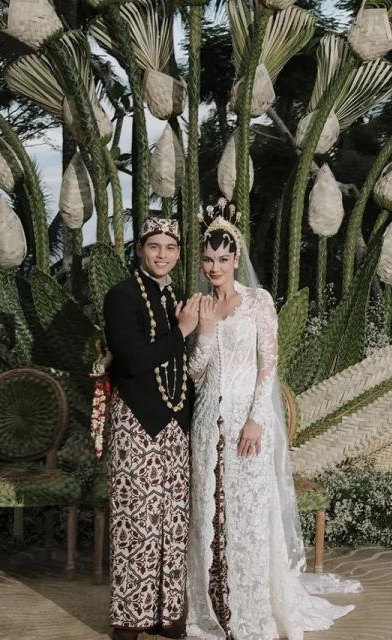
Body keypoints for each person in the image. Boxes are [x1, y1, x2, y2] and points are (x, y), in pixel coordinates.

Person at [186, 199, 359, 640]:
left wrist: (256, 420)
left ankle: (250, 611)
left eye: (223, 259)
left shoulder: (257, 301)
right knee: (209, 513)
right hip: (206, 423)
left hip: (246, 422)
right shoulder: (200, 306)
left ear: (236, 258)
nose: (214, 267)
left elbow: (269, 366)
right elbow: (195, 372)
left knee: (247, 515)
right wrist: (204, 333)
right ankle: (212, 607)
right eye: (207, 259)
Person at [103, 217, 201, 640]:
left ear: (178, 253)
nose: (162, 255)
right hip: (136, 421)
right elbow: (132, 361)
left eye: (170, 247)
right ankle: (129, 619)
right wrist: (182, 330)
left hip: (176, 421)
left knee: (173, 520)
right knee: (136, 520)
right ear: (140, 249)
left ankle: (167, 614)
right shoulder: (121, 297)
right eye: (154, 246)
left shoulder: (178, 298)